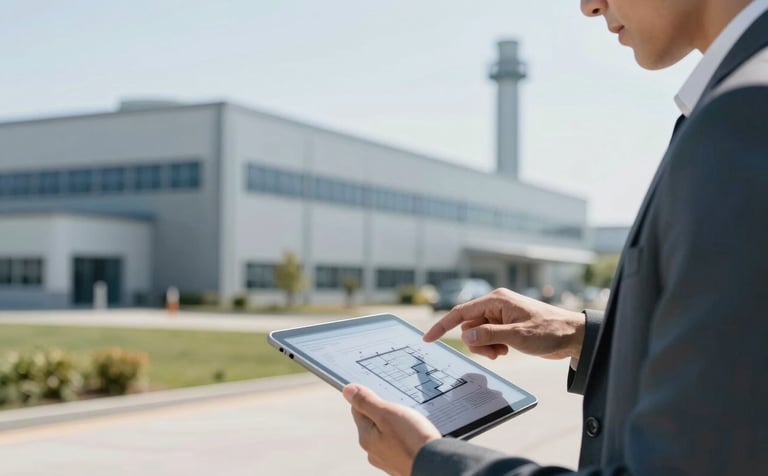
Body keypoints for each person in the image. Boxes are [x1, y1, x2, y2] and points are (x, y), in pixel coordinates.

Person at [342, 0, 768, 474]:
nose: (589, 6)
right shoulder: (735, 103)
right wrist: (581, 336)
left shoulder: (746, 114)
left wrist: (431, 462)